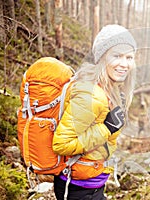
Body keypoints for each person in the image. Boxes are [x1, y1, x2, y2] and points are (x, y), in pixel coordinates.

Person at [52, 24, 137, 200]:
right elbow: (61, 144)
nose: (124, 63)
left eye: (129, 57)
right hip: (77, 189)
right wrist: (106, 129)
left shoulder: (108, 90)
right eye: (117, 56)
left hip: (92, 183)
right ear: (102, 58)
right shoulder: (91, 94)